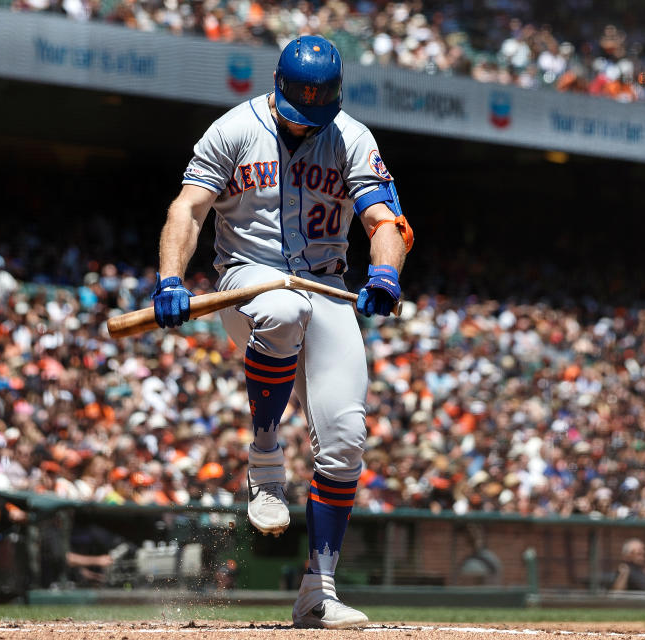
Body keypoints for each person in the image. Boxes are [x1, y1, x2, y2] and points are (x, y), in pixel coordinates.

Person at [151, 35, 413, 628]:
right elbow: (188, 209)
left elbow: (383, 220)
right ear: (278, 87)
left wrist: (384, 272)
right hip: (248, 284)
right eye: (298, 111)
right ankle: (265, 455)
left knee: (345, 442)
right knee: (281, 311)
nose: (305, 124)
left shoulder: (352, 137)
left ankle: (317, 591)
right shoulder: (233, 130)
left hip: (325, 285)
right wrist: (171, 278)